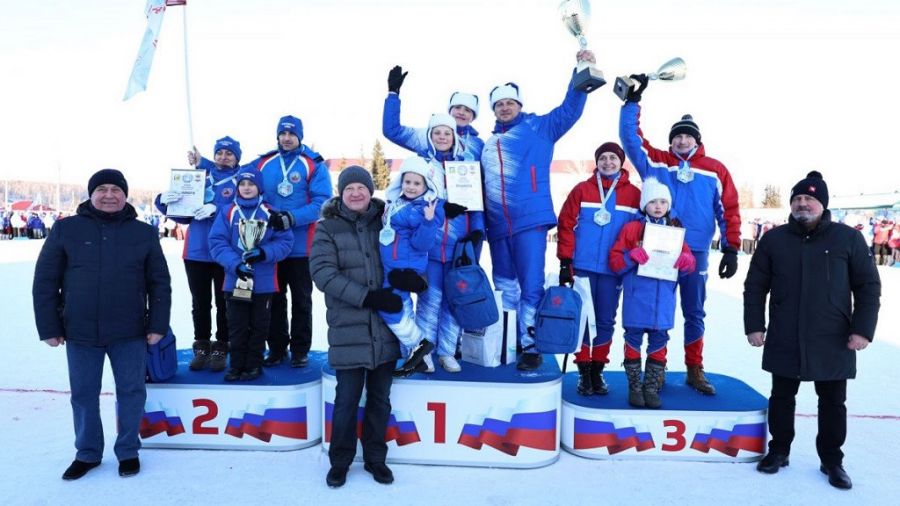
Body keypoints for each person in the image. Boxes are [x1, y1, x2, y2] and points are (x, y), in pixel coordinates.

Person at [744, 171, 881, 490]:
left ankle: (832, 459)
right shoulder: (774, 239)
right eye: (797, 199)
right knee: (782, 396)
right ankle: (779, 451)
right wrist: (754, 325)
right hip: (785, 332)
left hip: (833, 336)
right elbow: (755, 286)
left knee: (833, 402)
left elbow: (868, 286)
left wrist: (863, 329)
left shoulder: (848, 239)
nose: (802, 203)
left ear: (823, 204)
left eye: (809, 198)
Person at [32, 169, 171, 480]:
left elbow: (159, 283)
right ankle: (88, 452)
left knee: (132, 391)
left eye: (116, 190)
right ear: (91, 194)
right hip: (80, 331)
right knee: (83, 394)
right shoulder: (66, 229)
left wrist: (157, 324)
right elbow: (45, 281)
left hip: (130, 330)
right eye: (102, 189)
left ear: (125, 195)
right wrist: (50, 327)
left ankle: (128, 450)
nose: (109, 195)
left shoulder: (144, 233)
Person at [618, 76, 741, 394]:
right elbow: (631, 139)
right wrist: (633, 103)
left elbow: (728, 208)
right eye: (677, 136)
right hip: (656, 251)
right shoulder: (659, 163)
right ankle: (653, 371)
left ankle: (694, 368)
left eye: (688, 136)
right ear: (671, 141)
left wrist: (731, 247)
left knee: (694, 311)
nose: (682, 141)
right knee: (653, 311)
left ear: (697, 140)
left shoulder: (714, 169)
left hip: (693, 251)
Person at [481, 49, 594, 370]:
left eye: (510, 103)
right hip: (497, 226)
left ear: (519, 105)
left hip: (529, 222)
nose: (505, 108)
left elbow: (570, 109)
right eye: (499, 104)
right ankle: (508, 340)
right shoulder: (488, 144)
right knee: (504, 285)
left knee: (531, 286)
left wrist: (582, 69)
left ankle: (530, 343)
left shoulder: (538, 128)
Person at [310, 166, 402, 488]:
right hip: (348, 328)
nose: (355, 193)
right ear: (341, 193)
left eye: (361, 187)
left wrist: (405, 281)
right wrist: (366, 297)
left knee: (380, 399)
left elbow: (404, 255)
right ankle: (340, 461)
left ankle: (376, 458)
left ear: (370, 190)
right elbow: (323, 274)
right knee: (346, 400)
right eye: (349, 188)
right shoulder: (327, 228)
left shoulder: (388, 222)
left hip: (385, 327)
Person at [387, 112, 485, 374]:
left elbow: (476, 201)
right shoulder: (421, 165)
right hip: (429, 247)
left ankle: (447, 352)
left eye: (447, 133)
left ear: (454, 136)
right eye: (437, 132)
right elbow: (409, 198)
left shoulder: (467, 164)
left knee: (454, 300)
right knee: (430, 301)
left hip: (458, 247)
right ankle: (425, 353)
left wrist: (477, 231)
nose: (442, 137)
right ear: (430, 136)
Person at [247, 115, 332, 368]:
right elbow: (235, 177)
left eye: (291, 134)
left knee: (302, 300)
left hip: (301, 247)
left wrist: (292, 218)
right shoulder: (263, 162)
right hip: (271, 245)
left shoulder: (313, 164)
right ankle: (276, 348)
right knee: (273, 298)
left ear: (299, 136)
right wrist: (203, 164)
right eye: (282, 134)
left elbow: (322, 203)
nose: (286, 138)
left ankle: (300, 350)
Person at [557, 141, 641, 395]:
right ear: (597, 162)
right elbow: (566, 224)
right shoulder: (581, 190)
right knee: (582, 318)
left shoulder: (634, 194)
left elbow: (641, 229)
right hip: (583, 266)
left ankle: (597, 369)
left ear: (621, 162)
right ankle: (583, 370)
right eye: (603, 158)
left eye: (613, 158)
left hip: (613, 269)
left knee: (605, 320)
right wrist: (565, 260)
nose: (607, 162)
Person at [156, 136, 242, 372]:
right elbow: (183, 215)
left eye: (229, 153)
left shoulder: (242, 179)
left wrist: (218, 208)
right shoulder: (200, 178)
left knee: (225, 302)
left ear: (237, 158)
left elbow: (245, 207)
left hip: (226, 251)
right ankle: (202, 345)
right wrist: (164, 202)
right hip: (196, 251)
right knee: (200, 302)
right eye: (219, 153)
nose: (223, 157)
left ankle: (222, 345)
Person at [609, 178, 695, 408]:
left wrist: (687, 261)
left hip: (664, 299)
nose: (658, 206)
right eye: (653, 201)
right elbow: (615, 262)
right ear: (644, 204)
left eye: (663, 202)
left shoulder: (675, 231)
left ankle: (651, 387)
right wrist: (630, 256)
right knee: (633, 339)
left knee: (659, 340)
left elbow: (688, 265)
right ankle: (635, 387)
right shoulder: (632, 229)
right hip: (637, 297)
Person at [208, 171, 293, 381]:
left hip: (264, 283)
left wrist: (264, 253)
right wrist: (235, 264)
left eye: (251, 184)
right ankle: (236, 365)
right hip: (235, 280)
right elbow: (217, 242)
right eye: (243, 184)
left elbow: (285, 242)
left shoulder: (271, 212)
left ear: (259, 187)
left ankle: (253, 365)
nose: (247, 188)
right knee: (237, 325)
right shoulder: (228, 212)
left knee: (259, 326)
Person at [377, 157, 443, 376]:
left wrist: (428, 222)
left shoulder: (421, 209)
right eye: (407, 182)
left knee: (388, 306)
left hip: (403, 268)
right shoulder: (398, 202)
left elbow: (423, 244)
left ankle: (420, 345)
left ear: (426, 185)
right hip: (392, 265)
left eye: (417, 183)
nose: (411, 187)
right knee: (402, 309)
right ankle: (420, 360)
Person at [383, 65, 484, 161]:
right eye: (457, 107)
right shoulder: (427, 135)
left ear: (473, 117)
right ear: (450, 111)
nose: (461, 112)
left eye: (467, 110)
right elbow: (393, 131)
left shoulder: (478, 145)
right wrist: (393, 94)